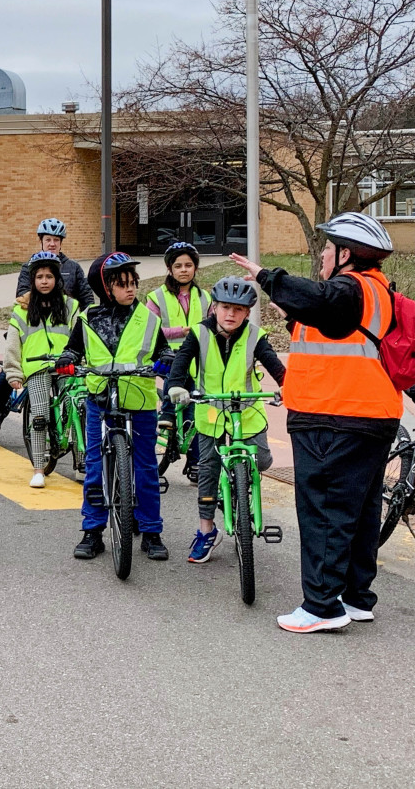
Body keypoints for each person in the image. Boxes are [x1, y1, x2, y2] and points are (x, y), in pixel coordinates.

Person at [232, 212, 403, 633]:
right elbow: (337, 330)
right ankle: (355, 596)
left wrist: (267, 276)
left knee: (324, 510)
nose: (323, 257)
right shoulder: (375, 290)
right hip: (368, 415)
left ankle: (322, 607)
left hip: (336, 417)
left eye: (327, 250)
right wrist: (293, 312)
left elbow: (325, 302)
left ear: (346, 254)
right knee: (360, 511)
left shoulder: (348, 288)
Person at [57, 253, 171, 561]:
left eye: (133, 283)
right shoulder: (87, 318)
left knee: (145, 466)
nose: (130, 289)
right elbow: (72, 349)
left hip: (141, 402)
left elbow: (162, 348)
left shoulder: (148, 318)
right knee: (94, 466)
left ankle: (151, 531)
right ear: (105, 287)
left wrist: (166, 359)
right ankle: (92, 531)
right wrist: (67, 359)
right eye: (122, 285)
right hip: (100, 401)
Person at [165, 276, 286, 563]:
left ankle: (240, 493)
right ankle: (206, 531)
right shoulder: (199, 333)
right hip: (211, 410)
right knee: (206, 469)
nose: (231, 315)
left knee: (264, 460)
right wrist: (176, 387)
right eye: (225, 308)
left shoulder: (255, 336)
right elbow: (180, 365)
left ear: (247, 313)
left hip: (247, 409)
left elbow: (276, 366)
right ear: (214, 308)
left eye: (239, 310)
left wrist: (287, 386)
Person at [0, 252, 80, 485]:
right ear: (33, 280)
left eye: (49, 276)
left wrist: (81, 362)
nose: (45, 281)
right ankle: (37, 469)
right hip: (37, 367)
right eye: (40, 277)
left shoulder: (71, 306)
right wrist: (13, 373)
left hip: (66, 366)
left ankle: (81, 462)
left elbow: (81, 336)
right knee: (40, 415)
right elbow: (13, 344)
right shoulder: (22, 309)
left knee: (78, 407)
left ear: (57, 279)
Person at [148, 241, 212, 481]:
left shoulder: (205, 297)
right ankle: (167, 411)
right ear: (169, 269)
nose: (184, 270)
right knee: (178, 372)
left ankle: (195, 463)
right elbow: (150, 331)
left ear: (195, 268)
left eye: (188, 265)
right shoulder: (156, 297)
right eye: (178, 265)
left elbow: (213, 327)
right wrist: (180, 332)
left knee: (196, 410)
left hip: (198, 359)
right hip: (166, 357)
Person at [15, 218, 94, 307]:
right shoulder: (29, 266)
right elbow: (22, 294)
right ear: (41, 241)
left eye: (56, 240)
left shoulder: (73, 267)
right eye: (48, 240)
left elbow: (87, 298)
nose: (52, 244)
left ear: (61, 242)